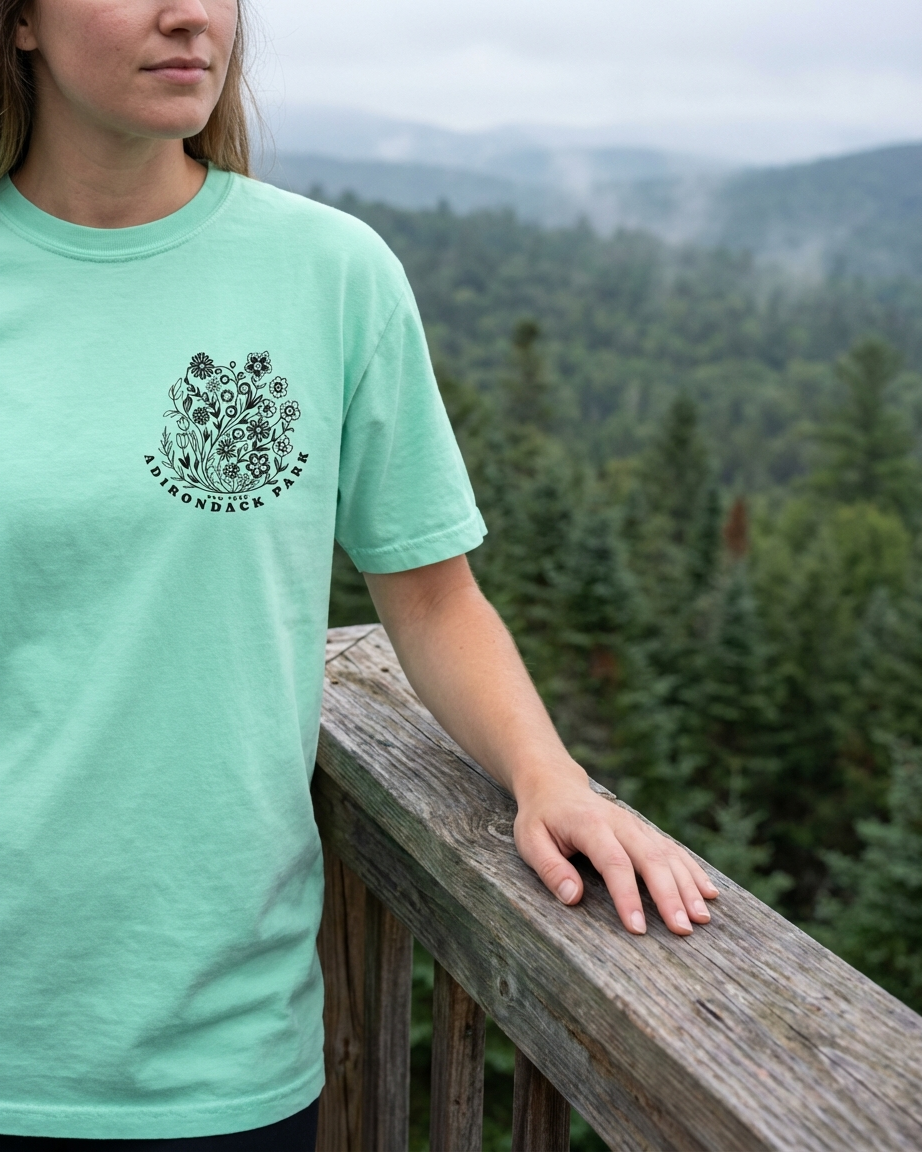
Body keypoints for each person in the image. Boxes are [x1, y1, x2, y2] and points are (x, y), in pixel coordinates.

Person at [0, 0, 719, 1146]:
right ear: (22, 23)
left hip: (219, 1051)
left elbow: (431, 595)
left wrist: (550, 775)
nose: (191, 15)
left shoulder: (328, 275)